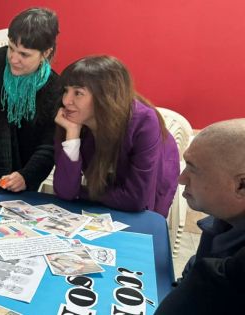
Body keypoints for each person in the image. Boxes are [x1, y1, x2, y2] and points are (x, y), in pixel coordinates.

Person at [53, 55, 179, 217]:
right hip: (107, 177)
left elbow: (136, 200)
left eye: (78, 93)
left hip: (158, 164)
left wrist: (82, 192)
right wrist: (72, 134)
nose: (66, 101)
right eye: (66, 91)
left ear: (105, 96)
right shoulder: (70, 119)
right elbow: (65, 191)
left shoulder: (144, 122)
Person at [156, 119, 245, 314]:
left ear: (241, 185)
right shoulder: (222, 220)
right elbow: (192, 273)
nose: (181, 179)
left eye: (193, 169)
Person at [0, 7, 62, 192]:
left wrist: (26, 176)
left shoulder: (55, 87)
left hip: (30, 166)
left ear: (46, 53)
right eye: (12, 48)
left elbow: (48, 144)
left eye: (24, 54)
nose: (14, 59)